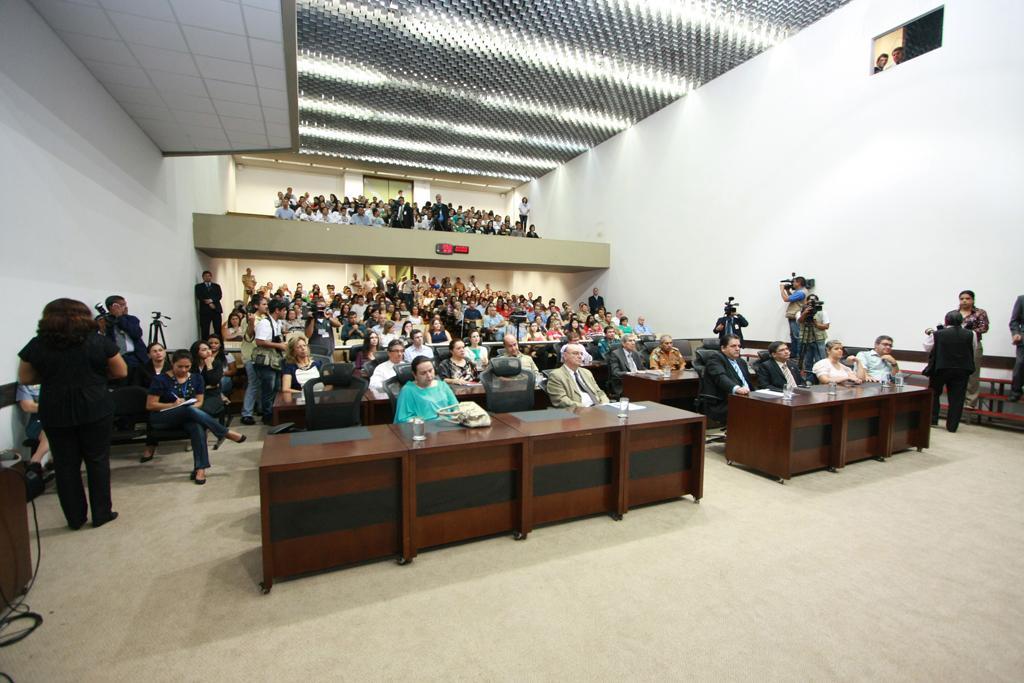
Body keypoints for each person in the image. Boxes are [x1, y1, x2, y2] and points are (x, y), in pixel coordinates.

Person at [18, 298, 127, 529]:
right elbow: (121, 370)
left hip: (55, 408)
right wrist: (94, 378)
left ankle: (75, 518)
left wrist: (53, 378)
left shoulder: (38, 344)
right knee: (97, 461)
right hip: (95, 405)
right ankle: (101, 513)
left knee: (66, 465)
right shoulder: (96, 341)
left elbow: (26, 378)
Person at [147, 349, 246, 485]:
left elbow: (199, 402)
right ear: (172, 363)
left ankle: (200, 468)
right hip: (164, 417)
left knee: (196, 425)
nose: (183, 370)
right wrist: (172, 405)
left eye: (187, 367)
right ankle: (224, 432)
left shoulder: (196, 378)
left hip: (188, 416)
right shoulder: (160, 379)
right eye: (179, 366)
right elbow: (151, 405)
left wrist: (189, 408)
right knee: (188, 411)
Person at [924, 312, 975, 432]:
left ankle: (933, 419)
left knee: (935, 393)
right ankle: (952, 426)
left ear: (946, 321)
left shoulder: (938, 333)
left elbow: (926, 346)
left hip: (941, 367)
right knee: (957, 398)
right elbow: (973, 347)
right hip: (962, 369)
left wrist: (932, 334)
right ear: (962, 321)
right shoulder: (970, 334)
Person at [700, 335, 753, 424]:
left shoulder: (741, 362)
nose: (737, 349)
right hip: (724, 402)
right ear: (723, 348)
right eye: (733, 346)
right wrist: (737, 389)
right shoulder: (715, 359)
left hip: (745, 398)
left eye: (739, 346)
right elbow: (721, 378)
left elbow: (749, 384)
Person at [252, 300, 287, 424]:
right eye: (283, 310)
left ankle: (274, 412)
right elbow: (259, 341)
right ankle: (267, 415)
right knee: (268, 388)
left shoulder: (277, 323)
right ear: (277, 310)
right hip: (266, 362)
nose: (285, 312)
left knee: (276, 388)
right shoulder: (265, 323)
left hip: (275, 360)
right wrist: (279, 345)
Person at [394, 356, 459, 422]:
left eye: (430, 371)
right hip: (425, 428)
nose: (429, 375)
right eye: (423, 373)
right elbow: (402, 419)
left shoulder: (442, 385)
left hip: (449, 424)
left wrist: (456, 414)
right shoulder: (408, 390)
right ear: (414, 375)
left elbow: (456, 406)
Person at [953, 290, 989, 408]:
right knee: (956, 372)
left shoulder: (979, 313)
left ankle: (970, 402)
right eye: (962, 298)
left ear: (972, 300)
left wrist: (966, 332)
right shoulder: (954, 313)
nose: (964, 300)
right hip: (956, 346)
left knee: (972, 373)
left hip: (973, 344)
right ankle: (957, 400)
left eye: (967, 298)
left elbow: (984, 328)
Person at [546, 343, 609, 409]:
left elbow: (599, 392)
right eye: (575, 353)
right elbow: (561, 400)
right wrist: (587, 408)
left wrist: (605, 403)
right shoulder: (556, 375)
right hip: (577, 412)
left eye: (581, 354)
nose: (580, 356)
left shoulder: (586, 372)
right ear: (565, 356)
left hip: (598, 408)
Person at [103, 294, 148, 383]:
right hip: (117, 358)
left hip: (135, 357)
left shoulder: (131, 319)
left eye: (125, 304)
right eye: (122, 305)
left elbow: (136, 334)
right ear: (113, 306)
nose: (125, 307)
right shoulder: (105, 321)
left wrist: (120, 317)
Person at [17, 382, 51, 471]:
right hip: (38, 423)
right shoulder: (26, 383)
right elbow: (27, 407)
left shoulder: (56, 378)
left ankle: (53, 463)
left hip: (59, 419)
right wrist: (52, 407)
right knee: (51, 431)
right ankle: (35, 461)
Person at [797, 294, 830, 375]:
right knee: (807, 360)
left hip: (819, 339)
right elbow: (799, 321)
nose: (811, 305)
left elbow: (826, 326)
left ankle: (821, 377)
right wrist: (805, 313)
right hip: (806, 339)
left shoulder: (822, 312)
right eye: (809, 303)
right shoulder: (800, 312)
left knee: (821, 359)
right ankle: (809, 379)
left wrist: (816, 324)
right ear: (806, 302)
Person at [606, 334, 645, 399]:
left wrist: (651, 371)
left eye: (634, 340)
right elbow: (615, 373)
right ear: (623, 343)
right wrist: (630, 373)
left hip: (638, 382)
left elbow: (641, 368)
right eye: (630, 341)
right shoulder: (615, 354)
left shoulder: (636, 353)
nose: (633, 343)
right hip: (623, 384)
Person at [779, 276, 809, 359]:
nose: (792, 283)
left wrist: (781, 289)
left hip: (796, 317)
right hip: (794, 316)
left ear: (798, 283)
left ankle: (798, 356)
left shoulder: (801, 292)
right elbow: (792, 299)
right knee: (794, 336)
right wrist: (788, 291)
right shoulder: (799, 292)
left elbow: (786, 299)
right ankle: (794, 355)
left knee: (797, 336)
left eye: (794, 282)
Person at [195, 270, 223, 339]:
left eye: (208, 276)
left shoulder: (216, 286)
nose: (207, 277)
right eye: (205, 276)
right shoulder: (199, 286)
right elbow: (199, 296)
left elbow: (219, 296)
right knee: (205, 329)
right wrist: (209, 303)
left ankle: (219, 343)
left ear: (211, 277)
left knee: (217, 328)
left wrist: (211, 300)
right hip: (205, 311)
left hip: (216, 310)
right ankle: (205, 344)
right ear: (203, 277)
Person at [1010, 293, 1024, 402]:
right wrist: (1016, 333)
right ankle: (1016, 391)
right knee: (1020, 363)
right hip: (1023, 339)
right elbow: (1014, 321)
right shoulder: (1021, 299)